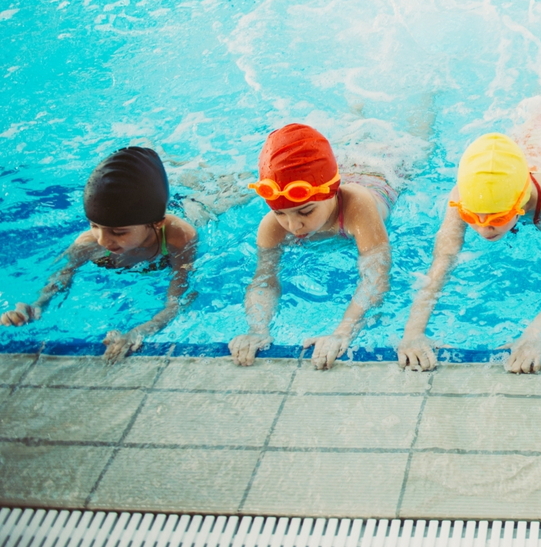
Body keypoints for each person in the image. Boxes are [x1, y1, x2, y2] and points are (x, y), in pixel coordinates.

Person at [399, 116, 541, 374]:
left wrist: (534, 335)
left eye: (497, 218)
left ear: (520, 204)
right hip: (524, 150)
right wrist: (413, 332)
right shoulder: (463, 196)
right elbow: (441, 262)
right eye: (472, 216)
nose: (484, 227)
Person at [228, 122, 407, 370]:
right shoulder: (272, 225)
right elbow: (264, 281)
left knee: (413, 140)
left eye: (305, 211)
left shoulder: (358, 208)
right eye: (280, 213)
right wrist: (257, 329)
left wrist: (343, 332)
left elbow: (376, 278)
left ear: (331, 193)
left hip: (381, 171)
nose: (293, 225)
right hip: (335, 171)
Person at [0, 147, 198, 362]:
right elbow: (61, 277)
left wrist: (140, 331)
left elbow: (177, 300)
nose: (103, 240)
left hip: (190, 207)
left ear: (157, 224)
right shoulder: (87, 243)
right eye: (95, 226)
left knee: (223, 196)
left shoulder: (179, 238)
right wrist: (37, 304)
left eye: (118, 232)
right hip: (150, 207)